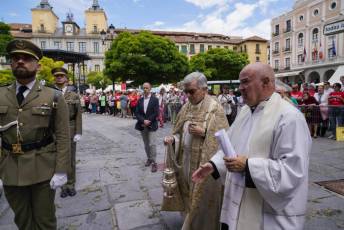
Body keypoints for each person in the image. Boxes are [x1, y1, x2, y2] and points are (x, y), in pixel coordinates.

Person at [192, 63, 311, 230]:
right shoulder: (246, 112)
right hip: (238, 206)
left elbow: (292, 171)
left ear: (266, 82)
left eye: (245, 82)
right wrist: (213, 165)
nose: (240, 88)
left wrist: (248, 166)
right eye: (240, 83)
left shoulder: (290, 117)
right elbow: (231, 146)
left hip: (268, 216)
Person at [0, 39, 70, 229]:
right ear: (11, 63)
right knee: (22, 221)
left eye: (27, 58)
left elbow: (63, 136)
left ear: (38, 66)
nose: (20, 61)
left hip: (42, 167)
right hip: (10, 167)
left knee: (45, 221)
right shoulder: (1, 94)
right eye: (16, 58)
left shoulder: (53, 95)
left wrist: (62, 170)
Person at [163, 72, 228, 230]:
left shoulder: (215, 109)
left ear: (204, 89)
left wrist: (204, 133)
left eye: (191, 91)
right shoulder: (186, 107)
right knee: (187, 196)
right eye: (185, 92)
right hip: (186, 161)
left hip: (204, 164)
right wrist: (173, 140)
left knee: (202, 202)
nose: (188, 95)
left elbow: (225, 140)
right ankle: (188, 222)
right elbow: (178, 132)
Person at [52, 67, 82, 198]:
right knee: (58, 158)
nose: (59, 77)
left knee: (70, 159)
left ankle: (70, 184)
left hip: (70, 128)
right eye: (57, 76)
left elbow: (78, 115)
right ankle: (62, 186)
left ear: (66, 79)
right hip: (54, 131)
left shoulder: (74, 96)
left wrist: (78, 132)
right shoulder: (50, 94)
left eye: (61, 76)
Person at [135, 83, 159, 172]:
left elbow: (156, 112)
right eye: (144, 88)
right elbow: (137, 113)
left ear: (150, 88)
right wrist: (143, 121)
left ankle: (154, 162)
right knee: (146, 144)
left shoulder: (155, 100)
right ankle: (149, 158)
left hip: (152, 125)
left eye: (147, 88)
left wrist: (148, 121)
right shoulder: (140, 100)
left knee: (152, 144)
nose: (145, 89)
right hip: (142, 125)